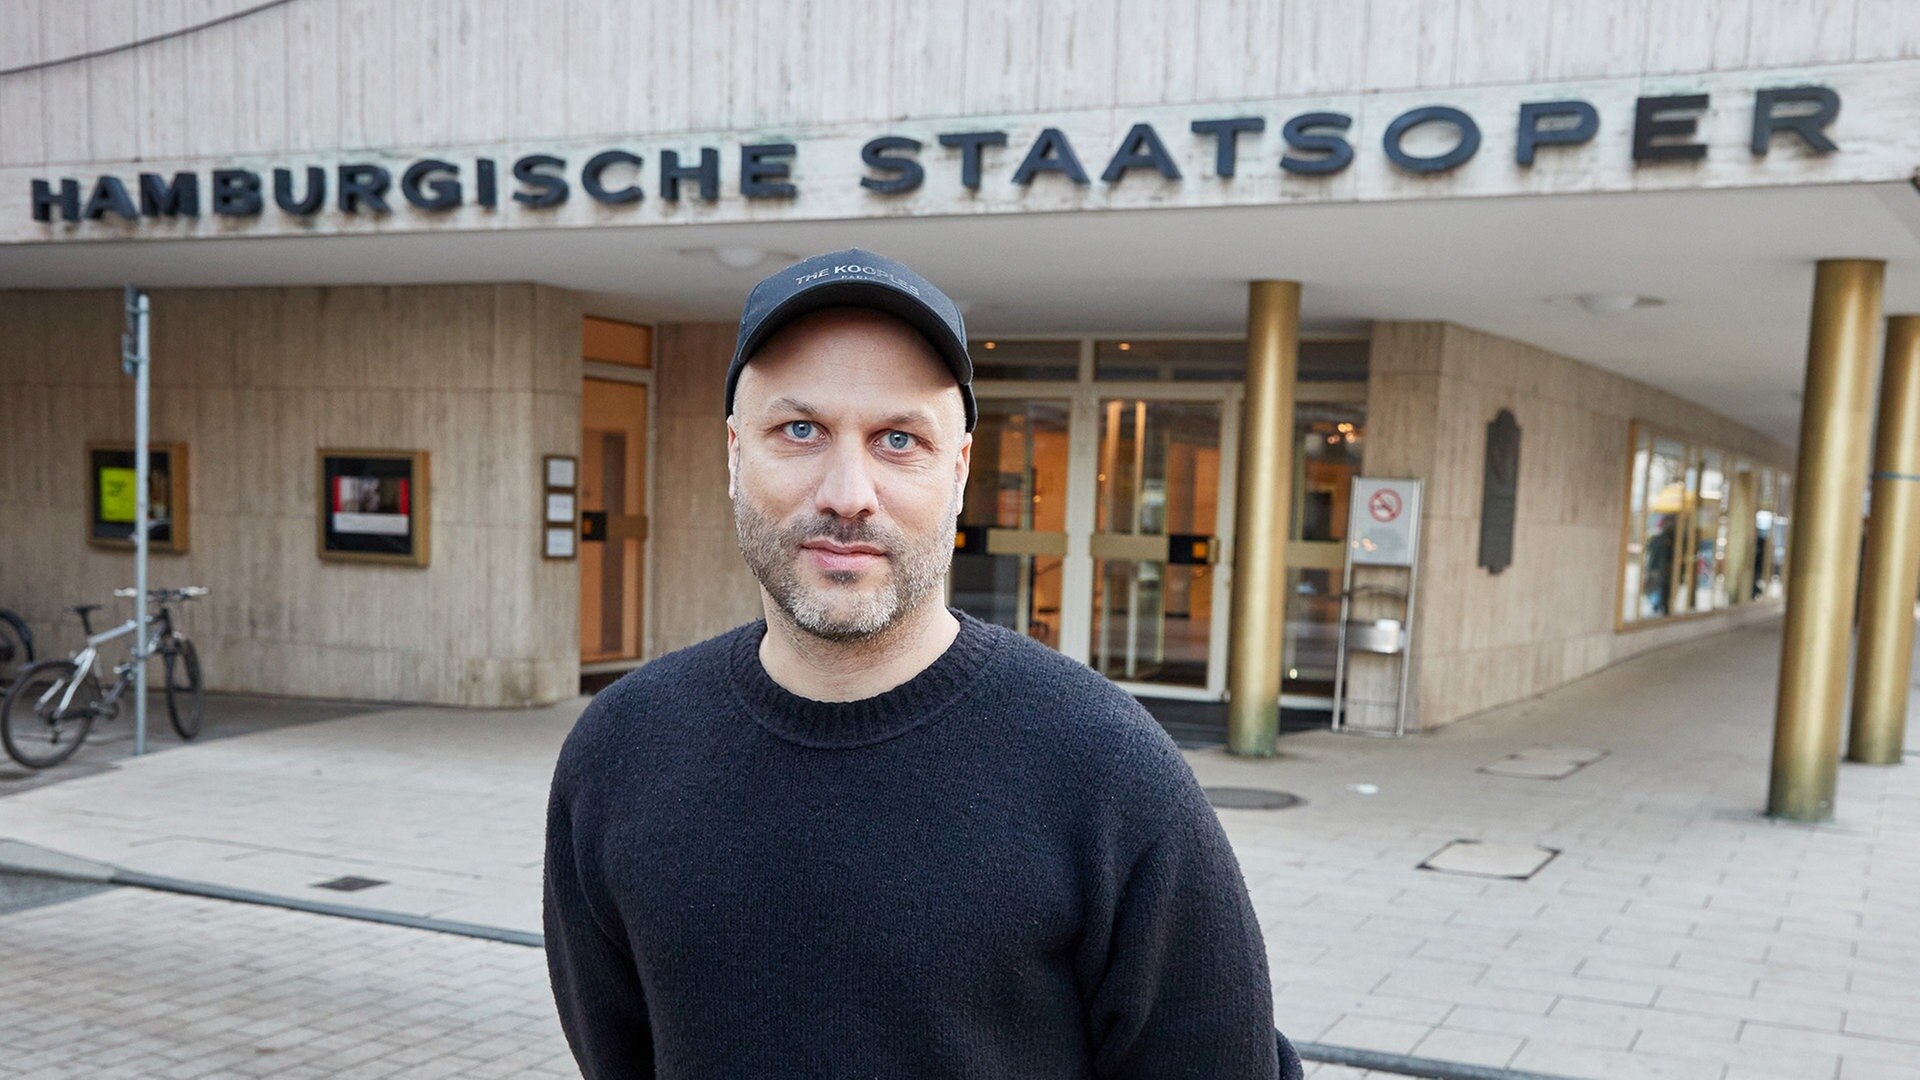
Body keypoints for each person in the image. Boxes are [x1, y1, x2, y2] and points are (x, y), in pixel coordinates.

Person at [543, 248, 1301, 1079]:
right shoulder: (623, 750)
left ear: (960, 470)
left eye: (898, 439)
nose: (848, 491)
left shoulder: (1102, 766)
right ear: (734, 452)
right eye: (800, 430)